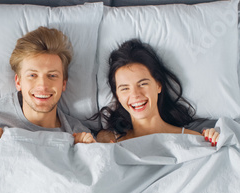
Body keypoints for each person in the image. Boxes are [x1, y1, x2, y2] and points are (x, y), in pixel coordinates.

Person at [0, 26, 91, 143]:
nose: (43, 85)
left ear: (63, 84)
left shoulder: (79, 134)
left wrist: (87, 152)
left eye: (52, 76)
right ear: (18, 81)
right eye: (32, 75)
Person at [85, 39, 219, 145]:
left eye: (142, 84)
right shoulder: (107, 139)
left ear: (158, 85)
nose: (135, 95)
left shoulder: (192, 138)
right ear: (117, 96)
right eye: (125, 88)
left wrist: (214, 141)